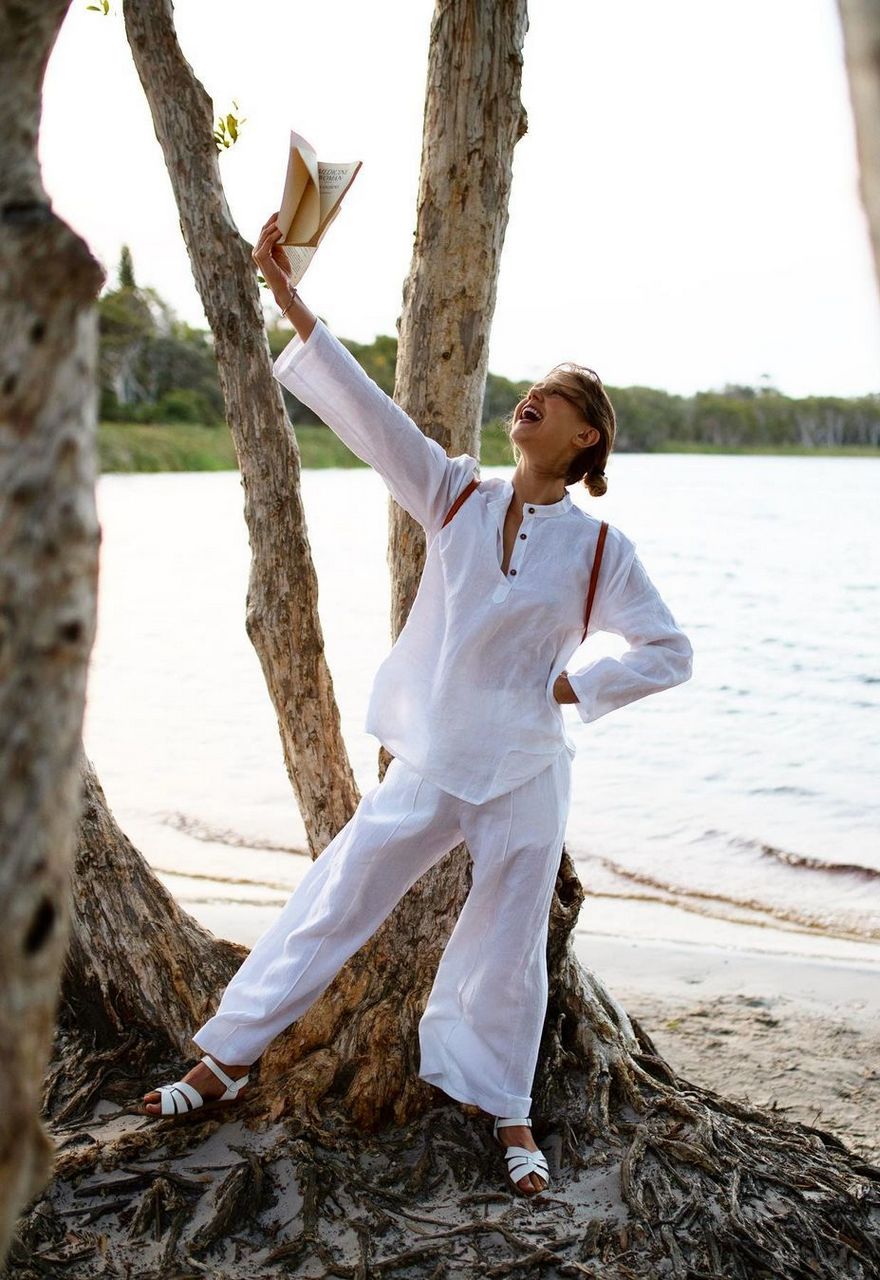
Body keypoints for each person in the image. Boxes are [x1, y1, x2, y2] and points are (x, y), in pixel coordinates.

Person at [142, 212, 694, 1196]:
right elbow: (363, 411)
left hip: (526, 766)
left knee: (510, 946)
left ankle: (510, 1116)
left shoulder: (602, 551)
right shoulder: (455, 495)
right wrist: (287, 294)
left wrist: (574, 682)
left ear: (586, 435)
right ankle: (221, 1059)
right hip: (435, 754)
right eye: (531, 390)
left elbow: (667, 649)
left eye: (555, 397)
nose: (531, 399)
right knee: (333, 898)